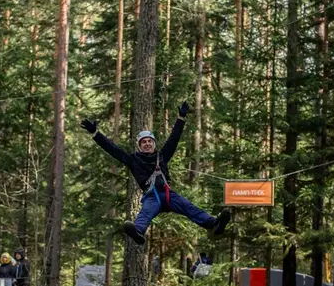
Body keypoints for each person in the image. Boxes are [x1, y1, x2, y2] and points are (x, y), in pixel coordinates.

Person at [81, 101, 231, 245]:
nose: (147, 144)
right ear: (139, 146)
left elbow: (173, 139)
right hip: (152, 196)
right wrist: (96, 133)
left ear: (153, 144)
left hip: (168, 194)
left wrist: (181, 119)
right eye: (143, 142)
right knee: (146, 212)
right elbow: (113, 149)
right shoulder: (133, 160)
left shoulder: (162, 156)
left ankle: (213, 224)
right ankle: (138, 232)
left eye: (149, 141)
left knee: (189, 207)